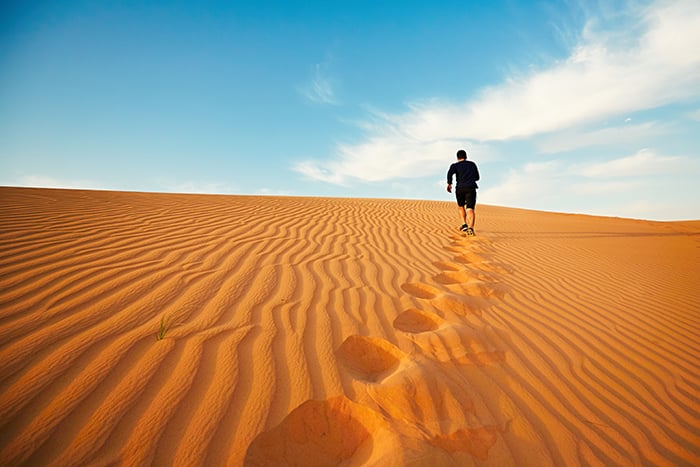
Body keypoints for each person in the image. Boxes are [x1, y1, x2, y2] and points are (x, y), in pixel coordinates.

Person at [446, 149, 480, 236]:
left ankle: (464, 224)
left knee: (461, 206)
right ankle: (471, 228)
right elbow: (477, 177)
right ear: (466, 156)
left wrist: (449, 183)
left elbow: (449, 173)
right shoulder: (472, 164)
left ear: (457, 157)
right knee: (470, 208)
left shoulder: (455, 165)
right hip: (470, 188)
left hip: (460, 188)